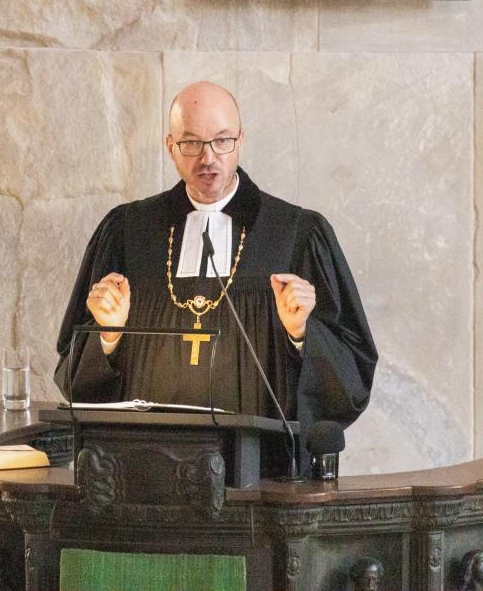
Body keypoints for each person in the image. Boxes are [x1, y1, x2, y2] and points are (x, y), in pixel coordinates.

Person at [53, 81, 378, 470]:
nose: (208, 157)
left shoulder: (296, 235)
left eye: (222, 140)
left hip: (260, 476)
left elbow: (352, 375)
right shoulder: (128, 231)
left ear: (241, 140)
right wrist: (108, 336)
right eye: (191, 143)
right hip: (145, 475)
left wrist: (300, 334)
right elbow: (71, 377)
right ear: (170, 146)